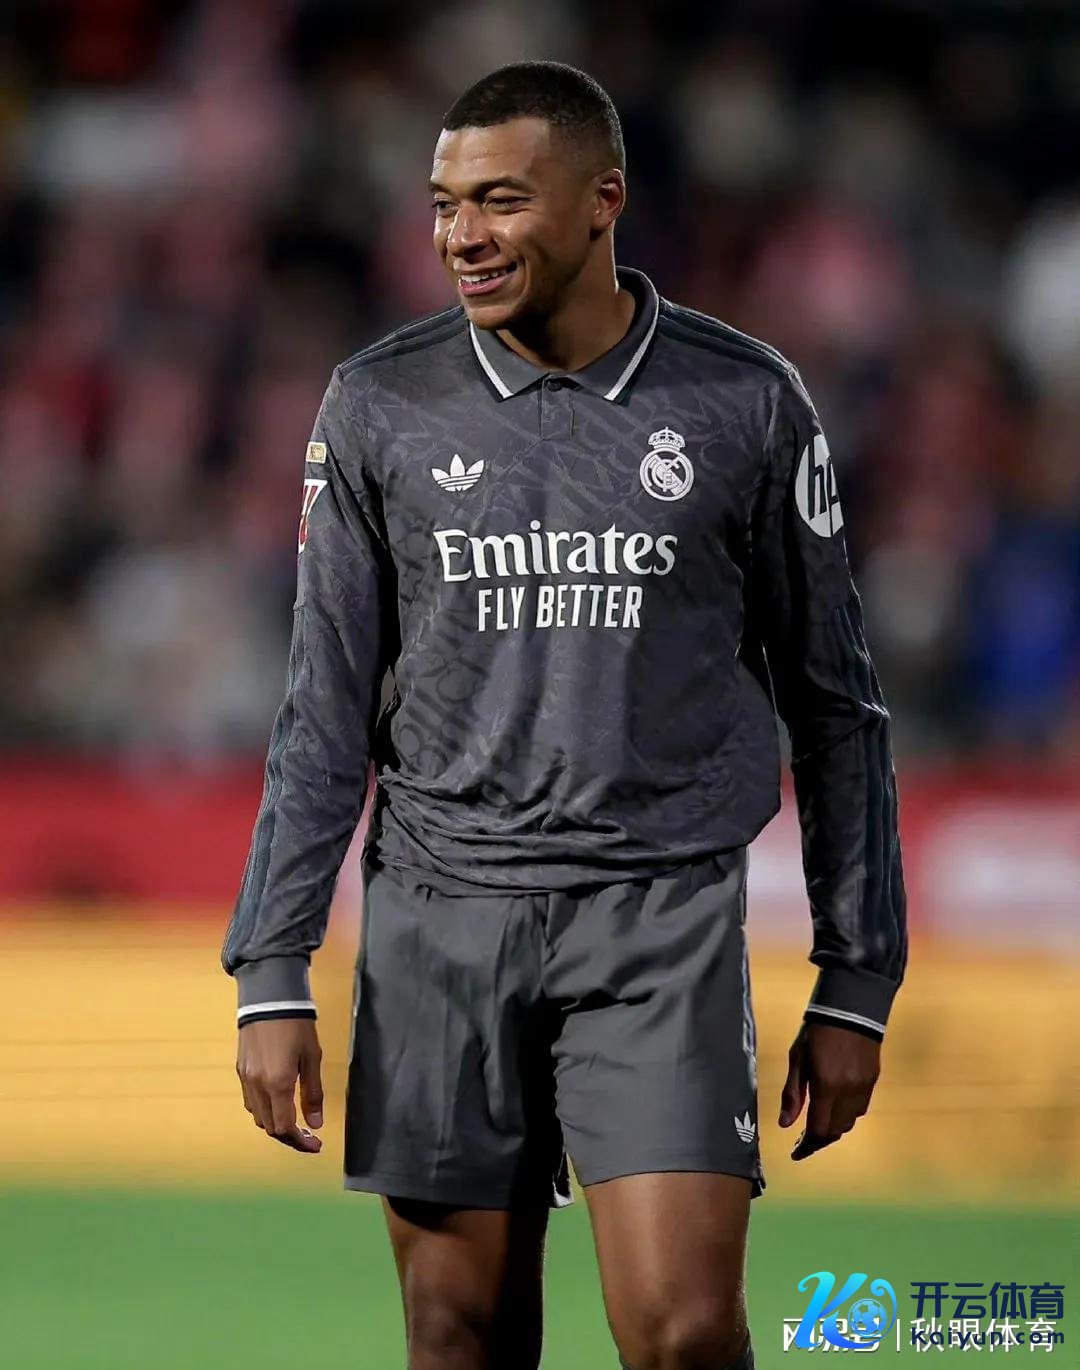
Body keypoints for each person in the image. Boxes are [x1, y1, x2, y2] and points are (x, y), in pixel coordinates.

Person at [221, 60, 907, 1370]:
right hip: (439, 918)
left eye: (500, 200)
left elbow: (838, 705)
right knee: (457, 1333)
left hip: (660, 919)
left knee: (685, 1332)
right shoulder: (377, 403)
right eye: (444, 205)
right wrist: (271, 967)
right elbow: (322, 708)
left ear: (604, 201)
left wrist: (856, 977)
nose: (461, 236)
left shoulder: (743, 400)